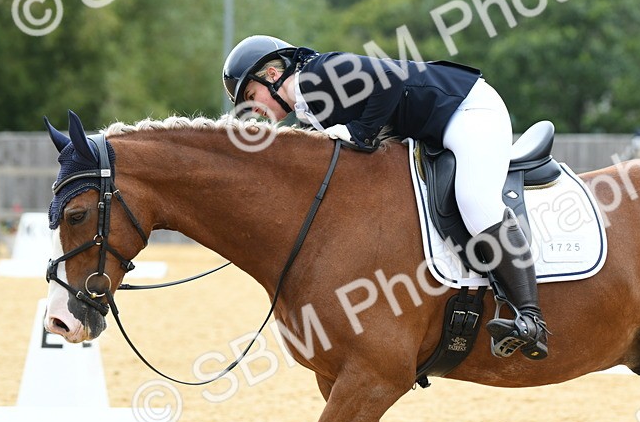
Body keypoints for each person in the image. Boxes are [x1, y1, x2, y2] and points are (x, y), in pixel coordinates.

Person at [222, 34, 549, 360]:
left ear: (273, 75)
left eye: (252, 95)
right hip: (438, 126)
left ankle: (531, 318)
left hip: (468, 110)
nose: (255, 109)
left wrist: (361, 133)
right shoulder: (309, 106)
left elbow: (389, 79)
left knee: (475, 202)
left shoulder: (316, 76)